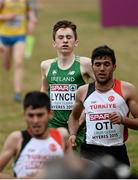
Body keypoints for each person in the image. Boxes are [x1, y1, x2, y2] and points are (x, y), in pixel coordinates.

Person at [68, 45, 138, 166]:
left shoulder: (127, 90)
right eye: (98, 64)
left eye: (106, 64)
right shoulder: (83, 91)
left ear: (114, 67)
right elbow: (73, 117)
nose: (102, 68)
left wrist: (123, 120)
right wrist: (73, 134)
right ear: (92, 66)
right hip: (90, 150)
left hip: (117, 150)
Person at [40, 20, 94, 153]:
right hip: (53, 124)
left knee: (75, 166)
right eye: (60, 37)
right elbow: (44, 90)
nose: (65, 41)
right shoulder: (46, 66)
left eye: (69, 37)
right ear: (54, 43)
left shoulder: (85, 64)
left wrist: (87, 111)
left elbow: (102, 87)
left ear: (76, 42)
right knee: (54, 163)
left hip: (78, 125)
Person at [0, 91, 69, 178]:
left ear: (50, 114)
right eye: (31, 115)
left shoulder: (62, 135)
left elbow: (73, 171)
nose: (35, 121)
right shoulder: (17, 139)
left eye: (40, 115)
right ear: (24, 115)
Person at [0, 0, 37, 102]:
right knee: (7, 66)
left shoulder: (24, 1)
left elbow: (29, 12)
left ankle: (17, 92)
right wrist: (6, 17)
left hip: (19, 36)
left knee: (19, 62)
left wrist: (32, 19)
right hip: (4, 36)